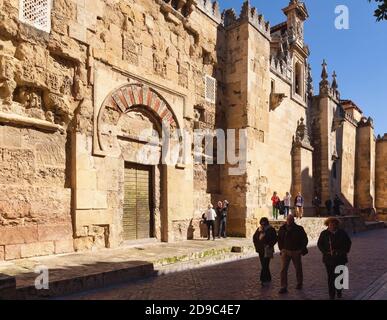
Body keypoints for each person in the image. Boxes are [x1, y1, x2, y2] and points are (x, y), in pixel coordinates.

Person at [317, 217, 352, 300]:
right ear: (328, 225)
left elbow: (348, 243)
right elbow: (320, 244)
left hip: (340, 258)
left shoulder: (342, 233)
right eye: (330, 224)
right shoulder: (324, 233)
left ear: (336, 225)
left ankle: (339, 290)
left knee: (340, 276)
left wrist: (342, 251)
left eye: (334, 224)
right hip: (329, 259)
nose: (332, 226)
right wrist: (325, 252)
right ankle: (331, 294)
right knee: (331, 276)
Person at [277, 214, 309, 294]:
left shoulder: (299, 229)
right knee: (283, 269)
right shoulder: (282, 228)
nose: (289, 221)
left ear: (293, 220)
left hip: (296, 251)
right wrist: (281, 249)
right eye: (288, 219)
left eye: (290, 220)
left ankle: (299, 283)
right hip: (285, 251)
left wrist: (301, 249)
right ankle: (283, 286)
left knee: (298, 268)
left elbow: (304, 239)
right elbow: (279, 239)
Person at [253, 218, 278, 286]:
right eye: (261, 224)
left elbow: (275, 239)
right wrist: (257, 246)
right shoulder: (259, 229)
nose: (262, 225)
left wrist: (270, 245)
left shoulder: (271, 229)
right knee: (264, 265)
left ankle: (263, 279)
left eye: (263, 224)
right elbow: (255, 238)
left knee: (265, 264)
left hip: (267, 249)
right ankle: (268, 277)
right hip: (260, 250)